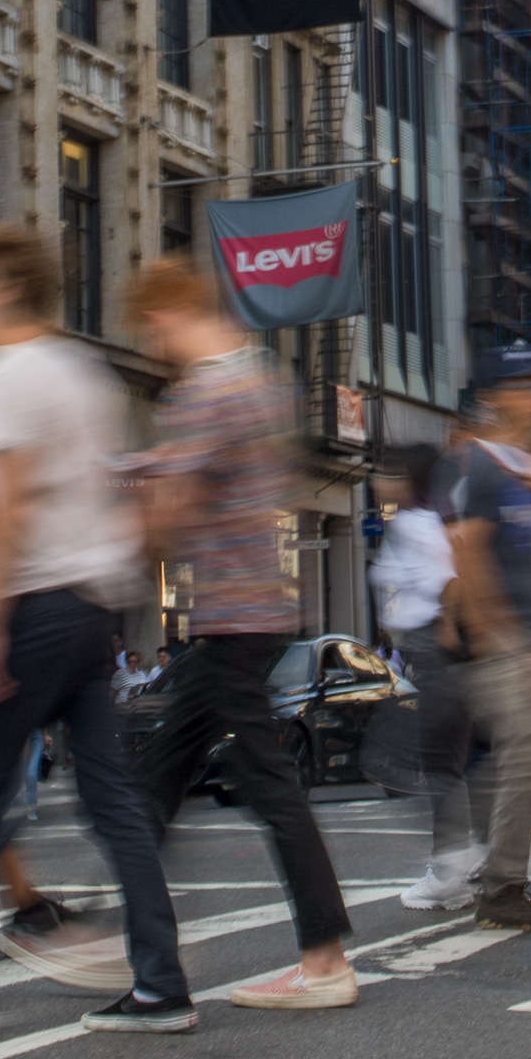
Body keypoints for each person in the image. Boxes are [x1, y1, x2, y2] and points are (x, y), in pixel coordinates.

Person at [0, 222, 194, 1032]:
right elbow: (127, 502)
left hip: (38, 601)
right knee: (112, 799)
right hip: (92, 607)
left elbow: (0, 505)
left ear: (2, 290)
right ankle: (159, 982)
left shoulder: (4, 375)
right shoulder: (90, 375)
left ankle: (39, 924)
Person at [126, 256, 358, 1008]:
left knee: (266, 783)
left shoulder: (207, 390)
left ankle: (324, 960)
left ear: (167, 315)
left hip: (231, 615)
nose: (152, 345)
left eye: (150, 327)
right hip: (252, 610)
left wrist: (127, 543)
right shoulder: (259, 376)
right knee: (158, 775)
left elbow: (171, 512)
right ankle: (121, 930)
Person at [445, 348, 531, 936]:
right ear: (501, 396)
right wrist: (498, 634)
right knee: (521, 764)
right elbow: (468, 550)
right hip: (505, 645)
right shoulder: (488, 467)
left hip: (527, 641)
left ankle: (497, 878)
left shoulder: (526, 468)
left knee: (519, 766)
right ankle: (501, 887)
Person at [366, 442, 477, 910]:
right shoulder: (417, 522)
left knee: (430, 762)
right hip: (428, 652)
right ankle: (460, 862)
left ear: (409, 479)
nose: (377, 479)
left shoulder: (418, 525)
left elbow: (452, 581)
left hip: (435, 652)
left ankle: (452, 867)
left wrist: (447, 630)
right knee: (443, 761)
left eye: (387, 471)